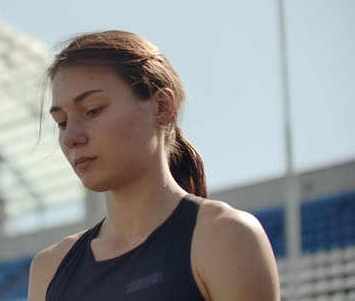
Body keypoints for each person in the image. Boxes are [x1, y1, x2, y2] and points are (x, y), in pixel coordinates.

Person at [27, 30, 280, 301]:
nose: (71, 137)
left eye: (92, 110)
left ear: (162, 106)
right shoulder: (49, 269)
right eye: (62, 122)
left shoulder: (225, 237)